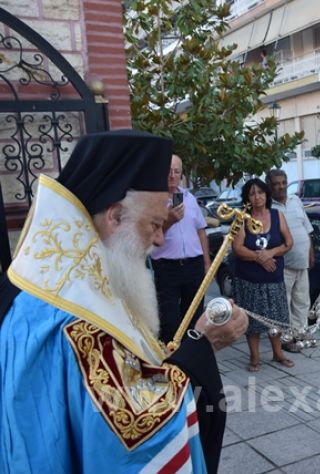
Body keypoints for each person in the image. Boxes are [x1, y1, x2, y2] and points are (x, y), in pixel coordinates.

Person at [0, 130, 248, 473]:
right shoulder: (75, 322)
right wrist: (201, 345)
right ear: (115, 216)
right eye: (156, 224)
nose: (160, 239)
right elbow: (136, 432)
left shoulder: (52, 280)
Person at [231, 178, 294, 372]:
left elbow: (288, 243)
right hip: (249, 280)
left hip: (274, 279)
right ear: (247, 197)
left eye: (260, 192)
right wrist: (260, 258)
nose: (257, 197)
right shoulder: (241, 218)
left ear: (266, 195)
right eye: (252, 193)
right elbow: (237, 248)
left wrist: (271, 253)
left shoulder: (278, 215)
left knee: (275, 318)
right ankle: (254, 357)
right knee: (253, 321)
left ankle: (278, 354)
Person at [151, 155, 211, 343]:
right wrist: (168, 221)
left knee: (194, 316)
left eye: (176, 171)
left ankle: (190, 358)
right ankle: (171, 361)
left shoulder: (190, 198)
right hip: (166, 268)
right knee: (170, 320)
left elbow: (201, 231)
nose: (172, 175)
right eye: (168, 171)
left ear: (181, 174)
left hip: (193, 266)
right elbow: (150, 237)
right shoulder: (153, 201)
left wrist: (207, 263)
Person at [267, 169, 314, 353]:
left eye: (283, 183)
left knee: (302, 301)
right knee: (283, 304)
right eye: (276, 184)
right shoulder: (268, 208)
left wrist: (311, 254)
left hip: (302, 263)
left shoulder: (296, 201)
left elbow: (307, 230)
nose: (280, 187)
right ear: (270, 186)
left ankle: (300, 335)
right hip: (282, 265)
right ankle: (286, 339)